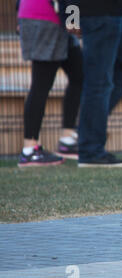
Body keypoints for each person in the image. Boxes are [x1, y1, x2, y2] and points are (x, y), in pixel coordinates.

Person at [72, 0, 122, 168]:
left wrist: (71, 15)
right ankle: (90, 150)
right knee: (98, 82)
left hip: (111, 14)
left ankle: (90, 128)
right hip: (102, 15)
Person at [16, 0, 83, 167]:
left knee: (80, 75)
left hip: (41, 16)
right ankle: (30, 150)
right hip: (45, 19)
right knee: (41, 85)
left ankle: (67, 140)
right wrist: (73, 20)